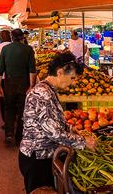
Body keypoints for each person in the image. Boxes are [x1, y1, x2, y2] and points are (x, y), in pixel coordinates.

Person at [19, 52, 96, 194]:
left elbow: (54, 121)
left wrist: (71, 129)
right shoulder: (43, 93)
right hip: (37, 158)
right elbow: (54, 132)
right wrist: (83, 142)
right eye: (72, 78)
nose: (73, 83)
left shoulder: (48, 89)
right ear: (60, 72)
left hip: (43, 155)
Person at [0, 28, 36, 146]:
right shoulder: (28, 49)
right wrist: (31, 86)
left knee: (9, 108)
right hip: (24, 83)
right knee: (22, 110)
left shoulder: (5, 49)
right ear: (22, 37)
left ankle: (9, 134)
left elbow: (0, 69)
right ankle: (19, 135)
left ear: (12, 37)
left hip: (9, 83)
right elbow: (32, 70)